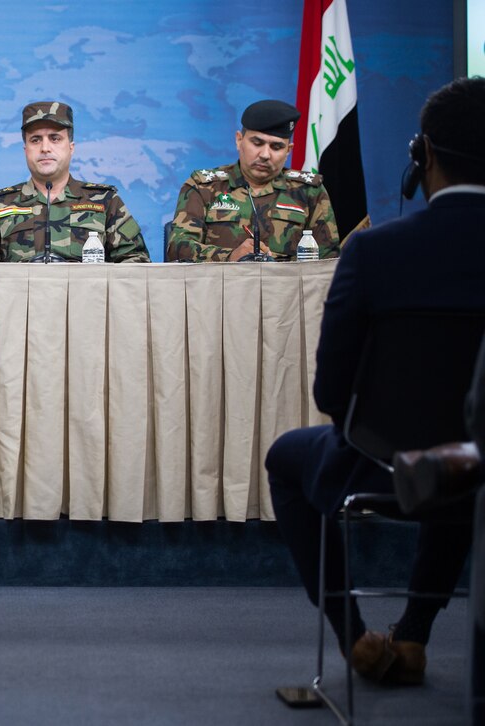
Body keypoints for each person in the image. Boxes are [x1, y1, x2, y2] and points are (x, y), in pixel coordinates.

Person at [264, 76, 485, 685]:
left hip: (390, 466)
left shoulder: (376, 254)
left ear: (425, 156)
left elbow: (332, 397)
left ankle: (358, 637)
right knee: (467, 448)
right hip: (475, 468)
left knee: (289, 457)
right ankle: (413, 632)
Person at [0, 101, 149, 263]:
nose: (45, 148)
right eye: (35, 140)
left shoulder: (105, 201)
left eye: (55, 138)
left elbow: (135, 263)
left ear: (71, 148)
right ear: (25, 150)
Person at [167, 99, 340, 262]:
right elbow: (177, 248)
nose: (265, 155)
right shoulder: (203, 187)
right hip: (220, 289)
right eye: (257, 143)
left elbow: (329, 261)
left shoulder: (309, 191)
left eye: (276, 147)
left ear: (288, 150)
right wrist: (230, 256)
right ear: (239, 140)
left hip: (287, 290)